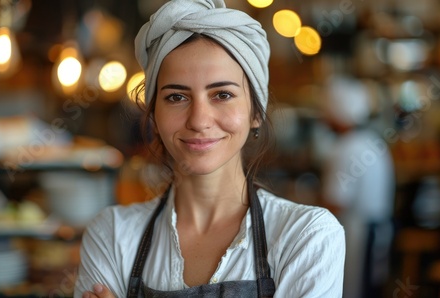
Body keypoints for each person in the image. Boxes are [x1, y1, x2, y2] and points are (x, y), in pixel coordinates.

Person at [74, 1, 345, 297]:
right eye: (177, 97)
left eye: (222, 94)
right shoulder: (112, 235)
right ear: (153, 115)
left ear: (256, 112)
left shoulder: (305, 236)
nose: (199, 120)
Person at [320, 75, 395, 298]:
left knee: (354, 291)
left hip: (358, 235)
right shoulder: (372, 141)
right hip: (377, 230)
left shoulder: (346, 148)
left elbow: (335, 204)